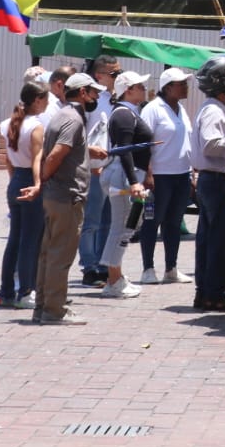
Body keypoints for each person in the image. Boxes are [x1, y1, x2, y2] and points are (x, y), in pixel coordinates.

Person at [34, 73, 108, 325]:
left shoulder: (63, 115)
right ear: (83, 93)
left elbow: (65, 148)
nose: (97, 96)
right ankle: (54, 311)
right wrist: (42, 180)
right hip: (66, 196)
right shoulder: (73, 119)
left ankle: (44, 307)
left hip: (58, 195)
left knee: (49, 253)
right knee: (60, 256)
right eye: (94, 92)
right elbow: (55, 155)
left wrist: (88, 151)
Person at [191, 56, 225, 312]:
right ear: (223, 91)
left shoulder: (215, 110)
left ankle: (206, 293)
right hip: (218, 181)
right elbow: (211, 145)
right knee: (221, 241)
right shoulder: (214, 111)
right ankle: (215, 294)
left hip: (212, 181)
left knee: (209, 239)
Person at [100, 71, 154, 301]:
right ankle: (113, 280)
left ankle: (116, 275)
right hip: (123, 177)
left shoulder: (128, 112)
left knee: (127, 226)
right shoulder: (123, 114)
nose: (144, 88)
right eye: (139, 85)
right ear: (128, 90)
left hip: (128, 176)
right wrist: (133, 181)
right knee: (121, 226)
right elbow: (124, 150)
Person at [139, 68, 194, 285]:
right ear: (168, 87)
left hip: (181, 174)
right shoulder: (153, 109)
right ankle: (148, 268)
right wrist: (148, 173)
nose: (186, 86)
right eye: (181, 83)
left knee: (173, 223)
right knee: (152, 222)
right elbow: (144, 144)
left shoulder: (180, 109)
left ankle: (171, 268)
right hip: (160, 176)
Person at [0, 82, 49, 309]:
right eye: (45, 99)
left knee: (15, 239)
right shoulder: (36, 126)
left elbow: (8, 159)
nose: (47, 104)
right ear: (37, 100)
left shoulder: (7, 124)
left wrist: (13, 182)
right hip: (29, 179)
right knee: (31, 240)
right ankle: (26, 291)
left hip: (16, 179)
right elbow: (38, 158)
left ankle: (6, 292)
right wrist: (38, 184)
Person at [77, 54, 122, 289]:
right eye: (114, 74)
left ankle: (104, 264)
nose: (118, 77)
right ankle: (89, 266)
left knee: (109, 219)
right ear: (99, 75)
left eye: (119, 73)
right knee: (91, 219)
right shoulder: (93, 99)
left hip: (113, 165)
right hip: (94, 167)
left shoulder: (118, 99)